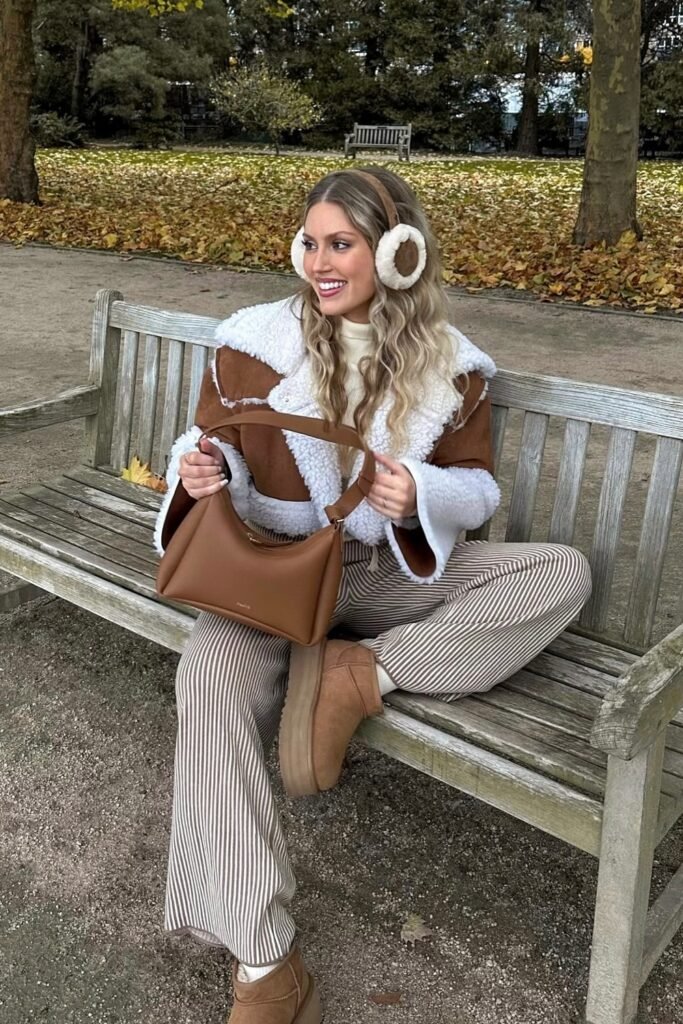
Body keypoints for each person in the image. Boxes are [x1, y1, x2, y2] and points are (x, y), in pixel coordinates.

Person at [154, 167, 592, 1024]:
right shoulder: (250, 341)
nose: (319, 263)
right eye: (310, 243)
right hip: (269, 574)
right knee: (205, 679)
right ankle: (263, 964)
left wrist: (420, 495)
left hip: (380, 575)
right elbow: (215, 443)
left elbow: (473, 486)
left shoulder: (452, 370)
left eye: (341, 245)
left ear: (398, 253)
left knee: (560, 572)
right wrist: (204, 471)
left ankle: (362, 675)